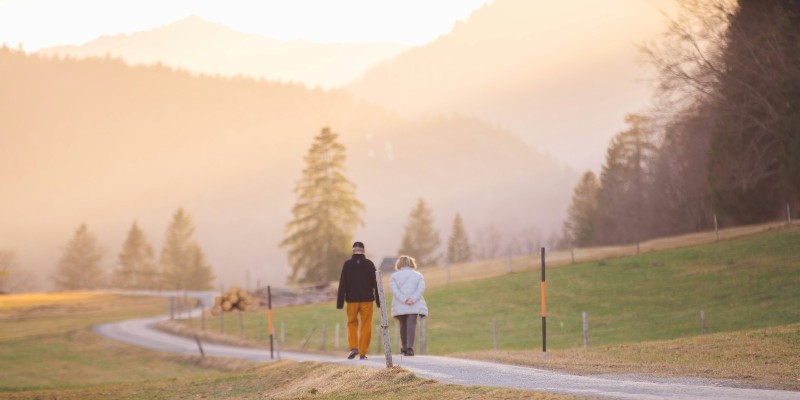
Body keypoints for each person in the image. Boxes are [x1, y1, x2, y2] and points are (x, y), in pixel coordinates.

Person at [336, 241, 380, 360]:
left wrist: (340, 302)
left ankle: (354, 347)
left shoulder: (347, 264)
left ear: (353, 251)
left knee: (352, 323)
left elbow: (342, 283)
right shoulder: (369, 264)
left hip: (352, 300)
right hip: (367, 300)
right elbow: (376, 284)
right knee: (366, 324)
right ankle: (363, 352)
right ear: (363, 251)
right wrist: (379, 301)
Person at [389, 255, 428, 356]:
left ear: (399, 263)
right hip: (414, 305)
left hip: (400, 304)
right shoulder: (418, 275)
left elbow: (394, 290)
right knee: (412, 325)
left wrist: (404, 299)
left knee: (403, 325)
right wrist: (412, 299)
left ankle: (404, 347)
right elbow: (421, 289)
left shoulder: (394, 276)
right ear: (412, 263)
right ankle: (410, 347)